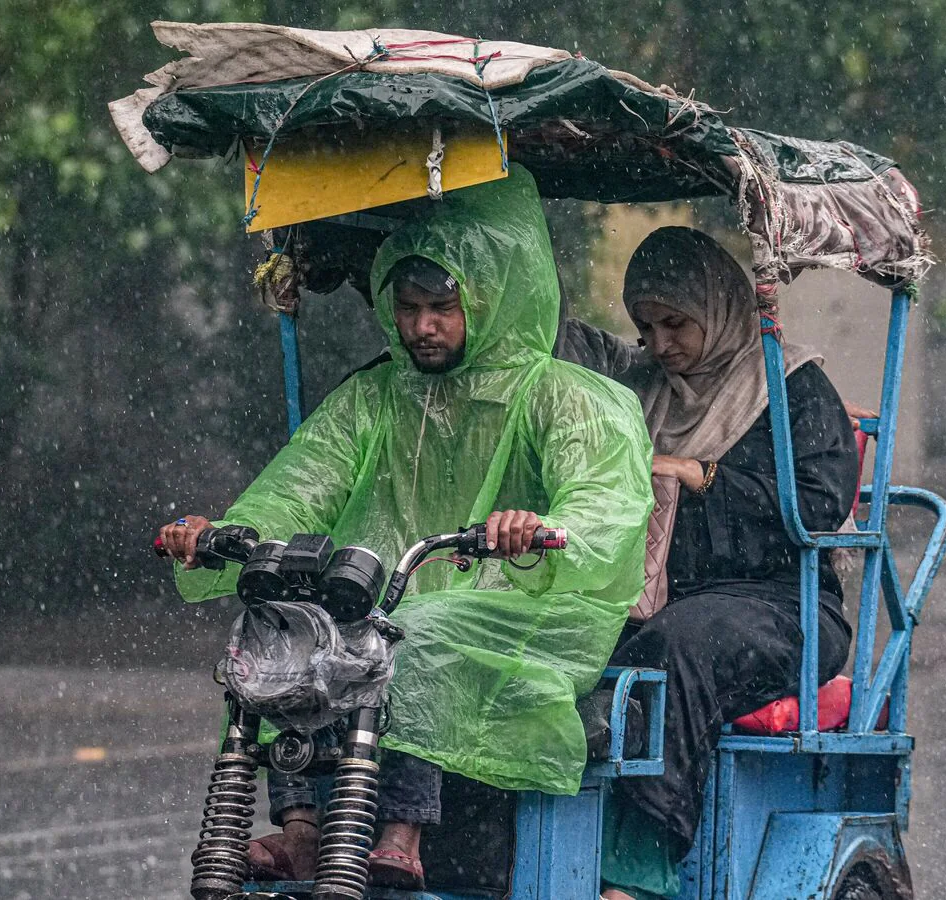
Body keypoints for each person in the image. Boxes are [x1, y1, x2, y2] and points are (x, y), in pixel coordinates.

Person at [157, 167, 654, 890]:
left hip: (530, 609)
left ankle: (402, 829)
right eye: (410, 307)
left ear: (491, 298)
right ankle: (302, 828)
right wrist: (224, 535)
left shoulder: (570, 396)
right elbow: (298, 490)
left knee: (409, 634)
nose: (422, 327)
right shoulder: (373, 397)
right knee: (280, 625)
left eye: (442, 308)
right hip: (391, 597)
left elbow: (604, 508)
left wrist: (538, 529)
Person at [560, 227, 859, 900]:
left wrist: (703, 475)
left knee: (679, 646)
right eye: (646, 327)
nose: (660, 344)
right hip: (656, 598)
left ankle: (638, 870)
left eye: (676, 324)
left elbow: (819, 504)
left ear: (718, 308)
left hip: (785, 605)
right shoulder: (642, 390)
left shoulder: (792, 386)